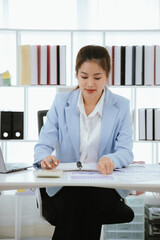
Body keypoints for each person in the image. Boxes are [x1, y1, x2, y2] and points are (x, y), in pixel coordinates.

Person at [34, 45, 134, 240]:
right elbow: (42, 146)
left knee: (82, 201)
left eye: (97, 77)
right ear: (77, 75)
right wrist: (45, 158)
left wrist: (111, 159)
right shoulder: (61, 102)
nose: (90, 83)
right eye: (84, 76)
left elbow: (125, 151)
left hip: (105, 186)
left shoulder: (121, 106)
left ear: (107, 76)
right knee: (81, 200)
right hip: (66, 186)